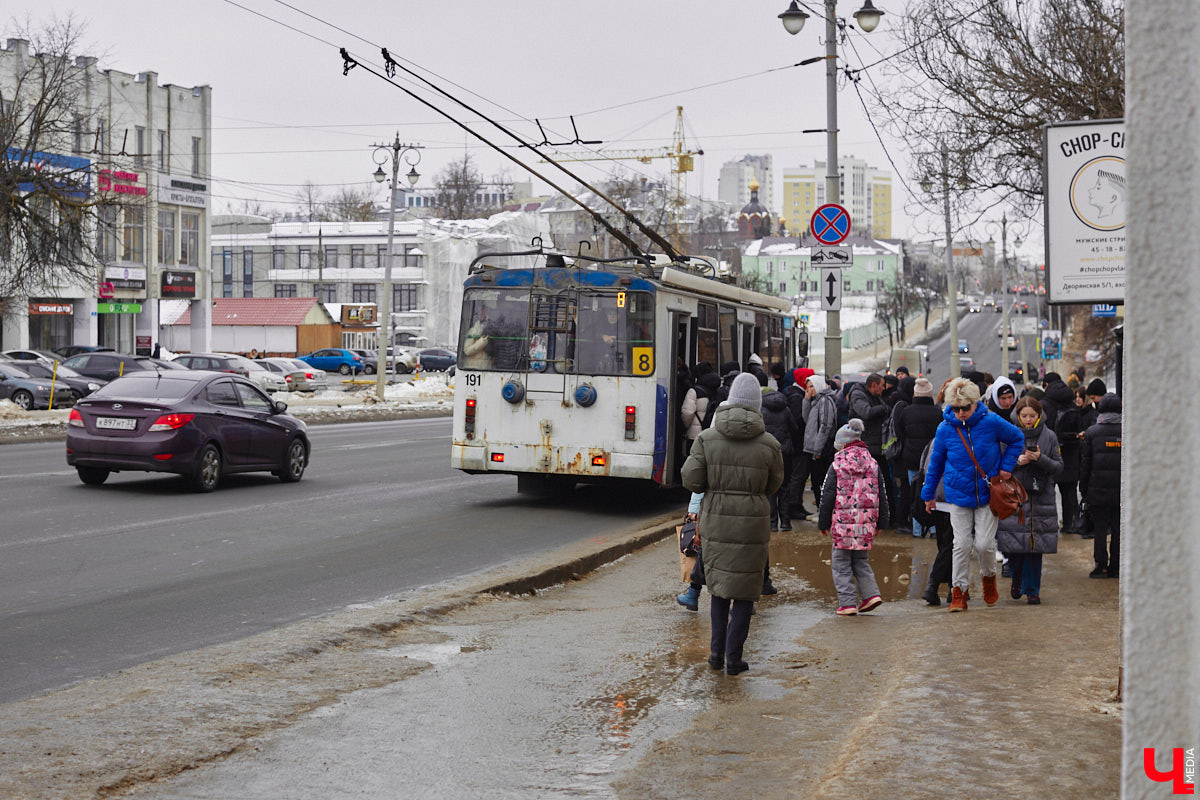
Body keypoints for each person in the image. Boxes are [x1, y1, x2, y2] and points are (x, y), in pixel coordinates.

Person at [681, 372, 785, 676]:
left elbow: (691, 479)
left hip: (716, 523)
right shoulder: (769, 444)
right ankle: (734, 658)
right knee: (744, 592)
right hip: (753, 526)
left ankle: (715, 654)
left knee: (719, 589)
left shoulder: (707, 439)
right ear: (757, 405)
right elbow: (775, 484)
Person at [921, 377, 1024, 612]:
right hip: (958, 494)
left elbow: (1017, 439)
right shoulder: (945, 429)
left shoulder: (991, 422)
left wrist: (1006, 468)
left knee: (985, 544)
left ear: (975, 403)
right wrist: (928, 494)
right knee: (960, 544)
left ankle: (989, 578)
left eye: (965, 407)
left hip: (988, 494)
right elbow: (935, 464)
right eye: (956, 408)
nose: (961, 413)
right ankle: (959, 591)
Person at [818, 419, 889, 616]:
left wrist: (822, 522)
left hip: (843, 524)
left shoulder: (837, 465)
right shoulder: (873, 463)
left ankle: (847, 602)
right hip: (866, 522)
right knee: (860, 560)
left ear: (841, 445)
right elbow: (882, 493)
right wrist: (883, 521)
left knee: (840, 564)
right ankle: (871, 595)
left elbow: (828, 495)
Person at [996, 397, 1063, 604]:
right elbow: (996, 465)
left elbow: (1059, 467)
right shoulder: (1007, 434)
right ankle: (1016, 579)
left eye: (1031, 416)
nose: (1027, 420)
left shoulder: (1049, 436)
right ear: (1017, 415)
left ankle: (1032, 590)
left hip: (1040, 497)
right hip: (1013, 496)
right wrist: (1016, 461)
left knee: (1035, 546)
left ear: (1039, 415)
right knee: (1015, 544)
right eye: (1023, 416)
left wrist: (1039, 459)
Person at [1080, 392, 1122, 579]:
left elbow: (1086, 465)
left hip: (1097, 489)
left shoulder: (1092, 433)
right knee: (1118, 529)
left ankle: (1100, 566)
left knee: (1100, 529)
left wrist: (1084, 489)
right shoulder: (1127, 431)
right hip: (1121, 491)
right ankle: (1116, 566)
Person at [897, 377, 943, 537]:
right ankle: (933, 529)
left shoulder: (907, 411)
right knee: (932, 493)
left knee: (915, 495)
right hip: (933, 460)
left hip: (911, 458)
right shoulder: (937, 412)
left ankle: (917, 531)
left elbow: (900, 432)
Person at [760, 379, 800, 532]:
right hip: (785, 452)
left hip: (768, 452)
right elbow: (794, 428)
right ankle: (785, 522)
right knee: (785, 487)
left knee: (770, 488)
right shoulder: (786, 408)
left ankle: (772, 523)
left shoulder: (761, 410)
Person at [802, 373, 839, 510]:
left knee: (821, 480)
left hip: (821, 449)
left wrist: (818, 449)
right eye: (807, 387)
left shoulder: (825, 401)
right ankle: (821, 510)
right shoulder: (815, 401)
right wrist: (806, 401)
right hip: (813, 448)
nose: (809, 390)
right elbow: (807, 420)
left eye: (811, 386)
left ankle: (824, 511)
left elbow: (825, 426)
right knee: (817, 481)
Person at [676, 492, 705, 611]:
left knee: (701, 552)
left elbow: (697, 481)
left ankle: (693, 594)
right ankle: (743, 602)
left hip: (715, 510)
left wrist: (693, 509)